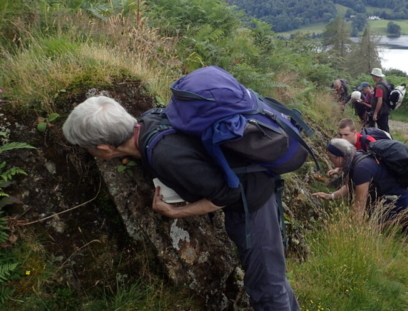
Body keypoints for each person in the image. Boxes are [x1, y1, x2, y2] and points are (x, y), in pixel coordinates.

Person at [62, 96, 299, 311]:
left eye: (86, 148)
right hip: (255, 189)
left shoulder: (165, 155)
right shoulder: (150, 119)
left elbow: (226, 195)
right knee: (271, 277)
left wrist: (176, 212)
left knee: (266, 285)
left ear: (104, 148)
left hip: (253, 202)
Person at [313, 138, 408, 225]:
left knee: (370, 227)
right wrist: (330, 196)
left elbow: (359, 205)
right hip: (388, 196)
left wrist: (352, 227)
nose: (330, 161)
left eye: (330, 158)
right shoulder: (356, 157)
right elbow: (348, 187)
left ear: (339, 158)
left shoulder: (361, 169)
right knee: (366, 219)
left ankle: (402, 218)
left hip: (396, 201)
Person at [370, 68, 391, 133]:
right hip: (385, 109)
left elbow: (379, 101)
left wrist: (375, 113)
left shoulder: (379, 87)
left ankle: (389, 142)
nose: (372, 77)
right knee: (384, 128)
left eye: (372, 76)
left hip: (381, 111)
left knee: (383, 129)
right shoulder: (385, 83)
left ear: (375, 76)